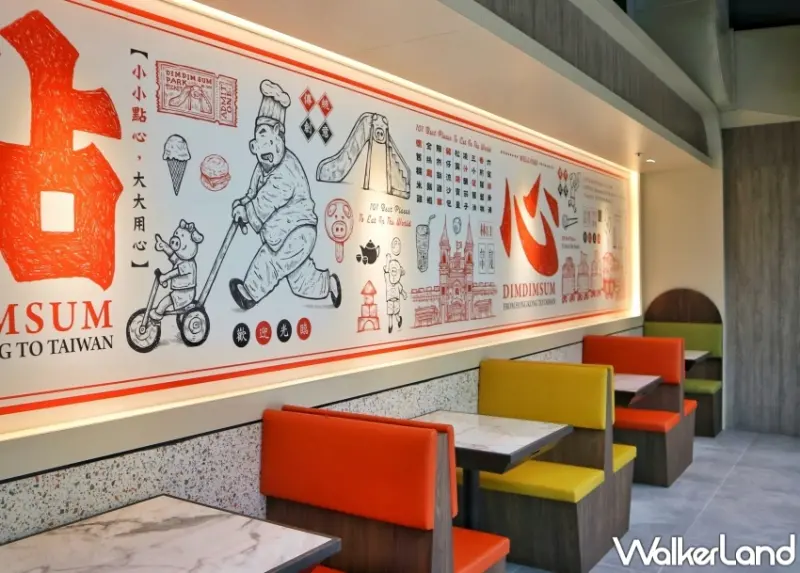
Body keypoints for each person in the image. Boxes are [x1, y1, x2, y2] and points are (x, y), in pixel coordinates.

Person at [229, 79, 341, 310]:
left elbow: (267, 198)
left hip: (297, 231)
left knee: (271, 259)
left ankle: (250, 293)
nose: (263, 156)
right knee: (300, 281)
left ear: (279, 136)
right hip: (282, 232)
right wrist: (243, 203)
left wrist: (248, 212)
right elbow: (254, 193)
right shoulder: (263, 167)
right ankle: (328, 284)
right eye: (258, 143)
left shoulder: (286, 169)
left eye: (266, 138)